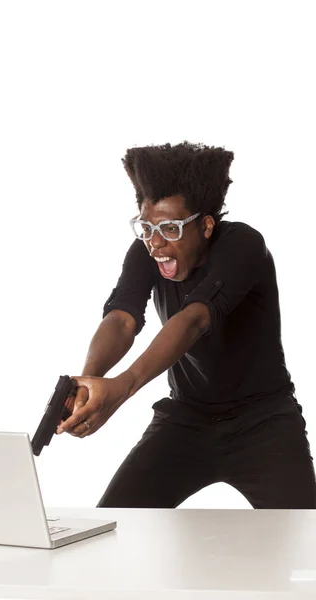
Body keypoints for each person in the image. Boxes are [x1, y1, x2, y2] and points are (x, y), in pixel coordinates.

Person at [56, 140, 316, 509]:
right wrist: (90, 383)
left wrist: (123, 388)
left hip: (265, 424)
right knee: (117, 522)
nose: (156, 243)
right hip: (186, 420)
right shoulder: (146, 251)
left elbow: (193, 320)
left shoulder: (242, 245)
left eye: (171, 229)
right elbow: (122, 318)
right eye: (146, 228)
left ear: (206, 225)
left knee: (306, 544)